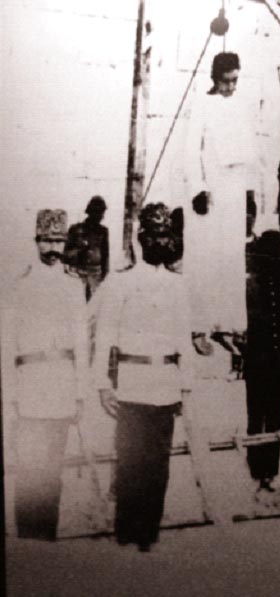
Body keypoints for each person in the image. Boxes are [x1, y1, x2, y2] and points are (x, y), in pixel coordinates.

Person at [93, 203, 194, 552]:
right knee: (131, 460)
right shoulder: (120, 282)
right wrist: (103, 385)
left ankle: (148, 534)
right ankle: (127, 532)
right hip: (132, 382)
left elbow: (184, 337)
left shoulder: (178, 285)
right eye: (153, 235)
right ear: (141, 238)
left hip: (164, 382)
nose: (160, 242)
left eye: (166, 235)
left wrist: (186, 384)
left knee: (158, 463)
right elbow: (104, 335)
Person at [1, 209, 88, 540]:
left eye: (59, 241)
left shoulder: (73, 284)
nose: (53, 247)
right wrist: (9, 398)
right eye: (47, 240)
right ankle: (27, 541)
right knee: (29, 470)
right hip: (31, 388)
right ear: (36, 241)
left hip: (62, 388)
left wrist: (80, 394)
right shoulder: (18, 285)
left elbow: (81, 342)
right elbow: (6, 344)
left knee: (53, 471)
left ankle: (47, 539)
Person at [185, 51, 262, 358]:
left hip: (234, 191)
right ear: (215, 78)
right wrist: (199, 188)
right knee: (205, 260)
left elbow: (251, 153)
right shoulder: (202, 104)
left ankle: (228, 327)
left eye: (235, 81)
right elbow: (191, 149)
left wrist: (251, 196)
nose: (231, 88)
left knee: (232, 261)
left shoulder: (242, 106)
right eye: (226, 82)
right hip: (211, 193)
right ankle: (200, 326)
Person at [244, 230, 280, 492]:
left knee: (277, 418)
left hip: (279, 362)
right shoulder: (251, 286)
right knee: (256, 417)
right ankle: (256, 471)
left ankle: (271, 472)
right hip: (257, 363)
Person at [64, 195, 109, 301]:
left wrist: (104, 279)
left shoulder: (103, 231)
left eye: (102, 212)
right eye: (97, 212)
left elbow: (105, 257)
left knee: (95, 306)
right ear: (90, 212)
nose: (100, 216)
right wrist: (80, 250)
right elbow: (65, 255)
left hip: (96, 278)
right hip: (78, 275)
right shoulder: (76, 229)